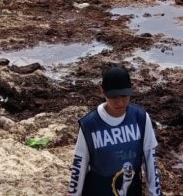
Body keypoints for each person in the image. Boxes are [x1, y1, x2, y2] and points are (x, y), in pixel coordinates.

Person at [68, 65, 162, 196]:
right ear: (102, 91)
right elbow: (79, 166)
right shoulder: (89, 125)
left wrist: (155, 193)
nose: (120, 102)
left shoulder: (140, 118)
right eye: (114, 97)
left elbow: (150, 161)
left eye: (124, 95)